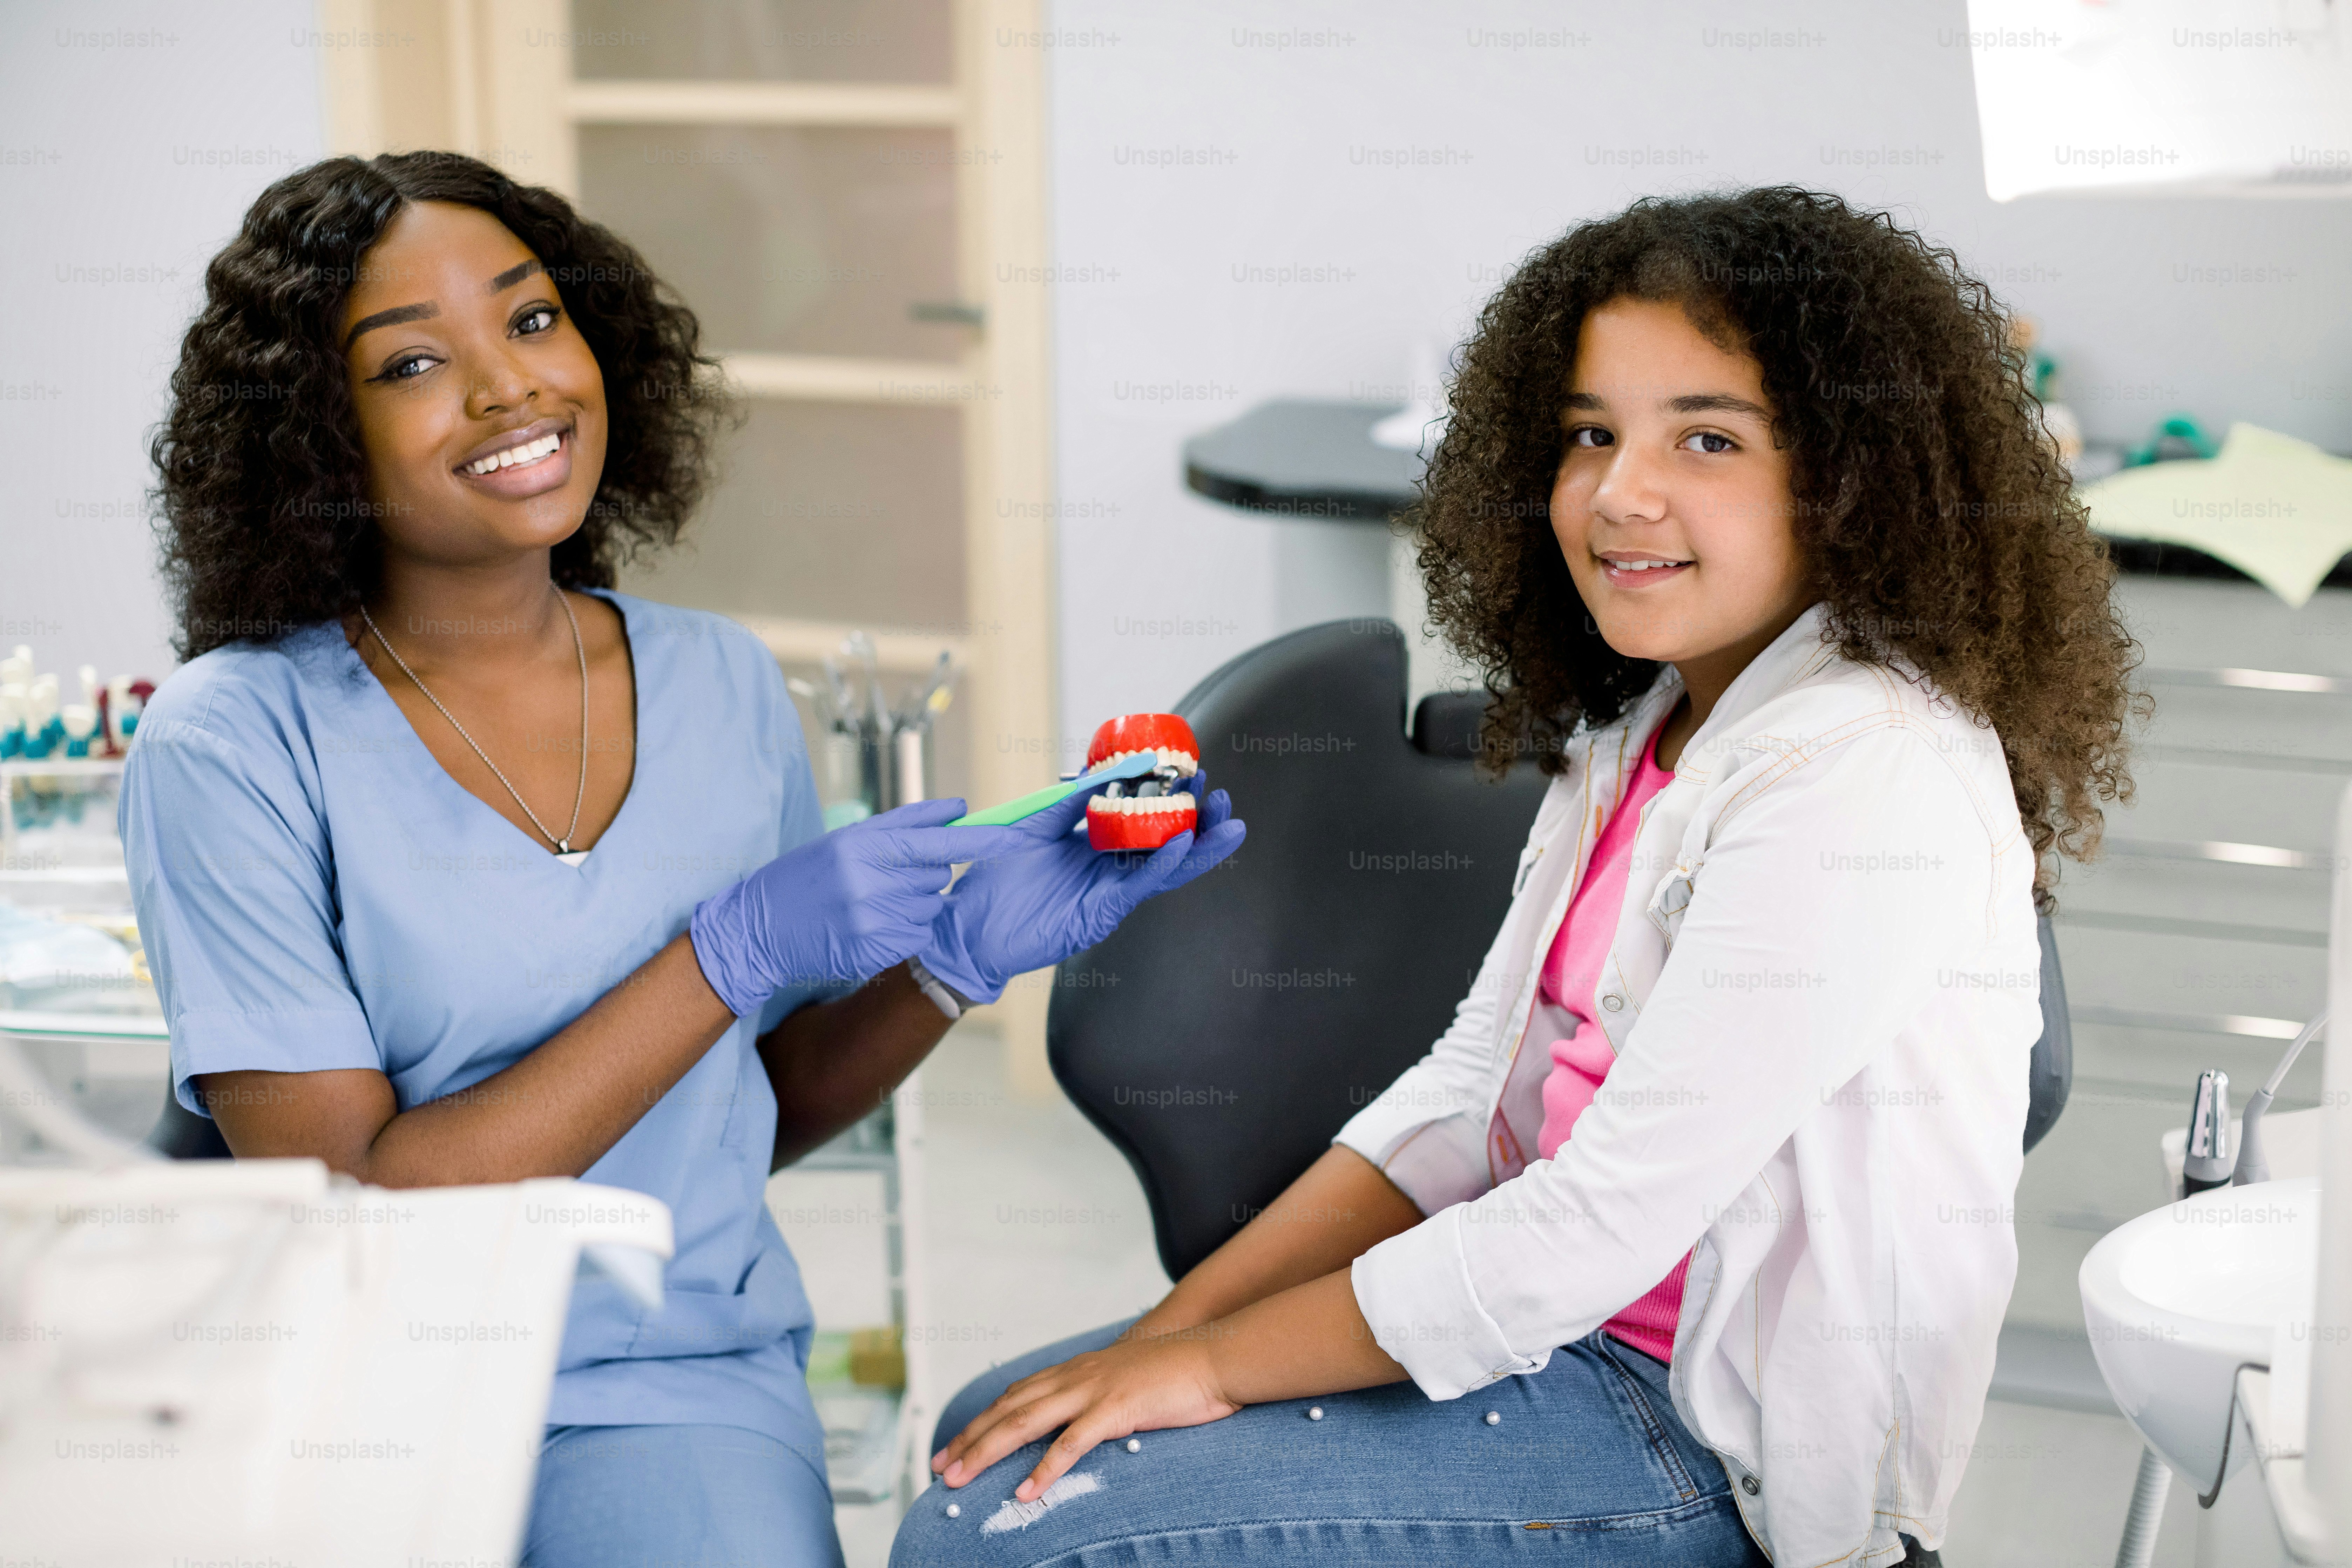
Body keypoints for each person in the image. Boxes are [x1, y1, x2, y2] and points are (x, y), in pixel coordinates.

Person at [895, 188, 2141, 1568]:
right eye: (1592, 433)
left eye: (1708, 438)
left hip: (1702, 1437)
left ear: (1855, 481)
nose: (1622, 492)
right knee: (994, 1432)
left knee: (1005, 1536)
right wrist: (1168, 1337)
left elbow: (1591, 1225)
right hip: (1558, 1335)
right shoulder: (1648, 731)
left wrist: (1211, 1370)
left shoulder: (1864, 769)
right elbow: (1464, 1103)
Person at [127, 150, 1243, 1568]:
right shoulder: (232, 742)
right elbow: (362, 1206)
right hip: (358, 1392)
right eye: (412, 363)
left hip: (671, 1387)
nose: (509, 389)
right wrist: (723, 952)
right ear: (313, 434)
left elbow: (736, 1119)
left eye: (533, 322)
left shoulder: (718, 683)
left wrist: (947, 969)